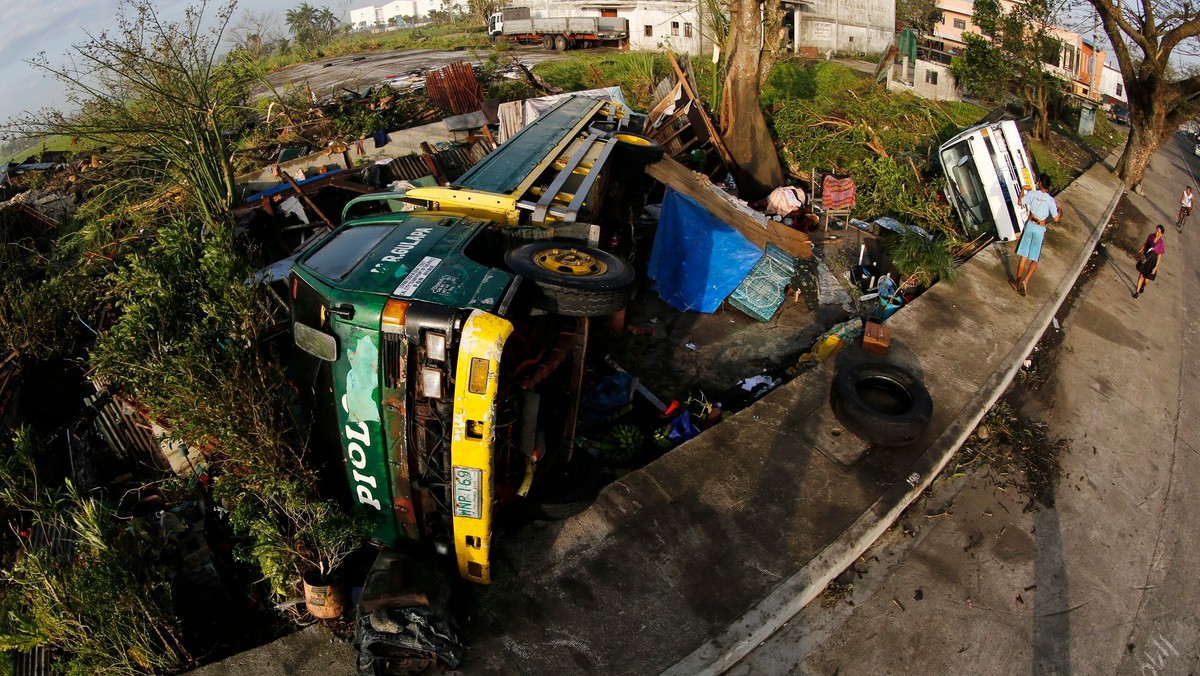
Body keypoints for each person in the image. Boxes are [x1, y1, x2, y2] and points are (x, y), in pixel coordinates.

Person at [1010, 173, 1061, 297]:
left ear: (1040, 183)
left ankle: (1017, 283)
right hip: (1040, 228)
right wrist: (1060, 209)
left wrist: (1022, 190)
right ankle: (1026, 281)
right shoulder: (1050, 200)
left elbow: (1020, 202)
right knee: (1035, 258)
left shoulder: (1033, 193)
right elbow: (1056, 218)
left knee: (1023, 256)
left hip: (1030, 225)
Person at [1133, 225, 1165, 299]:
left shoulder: (1161, 244)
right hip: (1146, 257)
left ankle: (1143, 286)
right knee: (1141, 276)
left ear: (1161, 234)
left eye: (1158, 231)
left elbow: (1159, 256)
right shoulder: (1151, 236)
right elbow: (1146, 243)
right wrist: (1140, 251)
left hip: (1152, 261)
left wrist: (1156, 266)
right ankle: (1137, 293)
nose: (1156, 232)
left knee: (1147, 280)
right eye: (1156, 230)